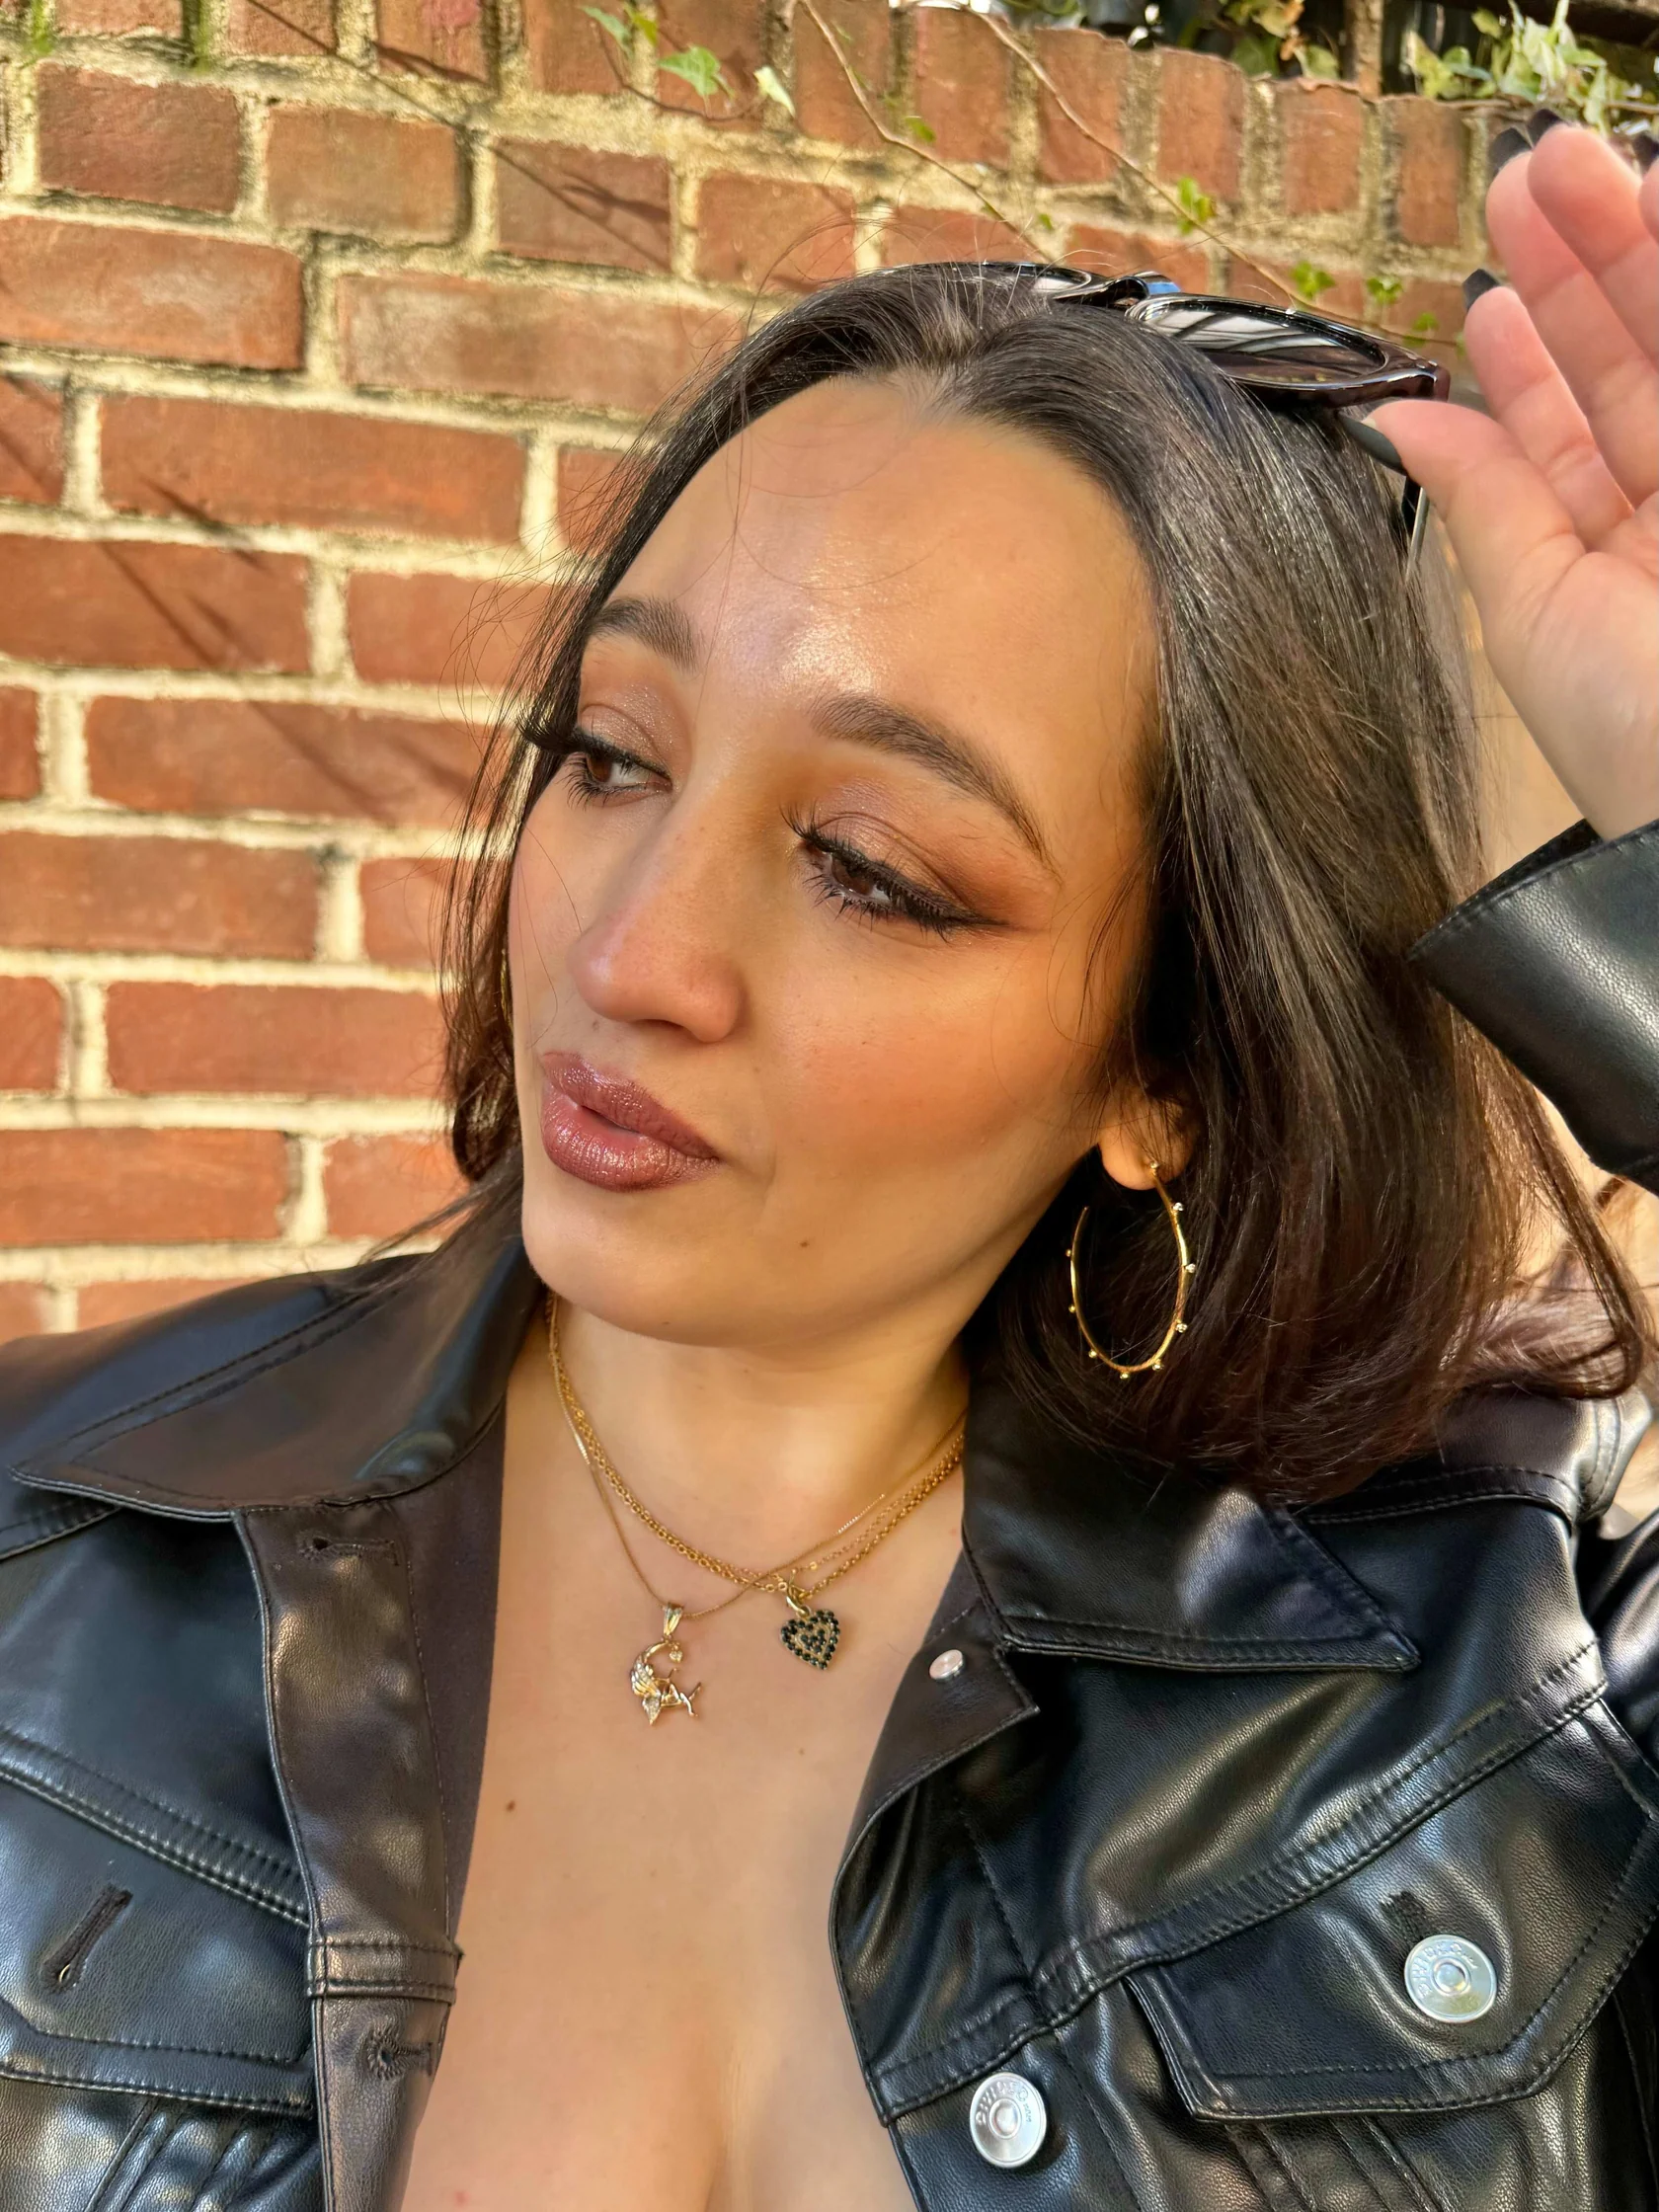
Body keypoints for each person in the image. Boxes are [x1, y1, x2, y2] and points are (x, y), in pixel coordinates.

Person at [0, 118, 1654, 2212]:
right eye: (612, 755)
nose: (632, 957)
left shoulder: (1518, 1661)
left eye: (871, 869)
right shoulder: (41, 1548)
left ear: (1172, 1066)